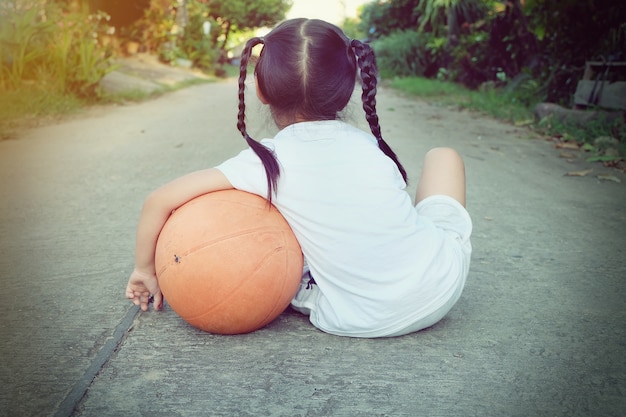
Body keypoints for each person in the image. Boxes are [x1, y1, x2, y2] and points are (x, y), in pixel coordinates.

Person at [125, 18, 472, 338]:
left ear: (260, 90)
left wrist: (145, 270)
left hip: (356, 317)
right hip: (439, 289)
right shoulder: (370, 145)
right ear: (349, 87)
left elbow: (159, 200)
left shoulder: (266, 163)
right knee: (444, 156)